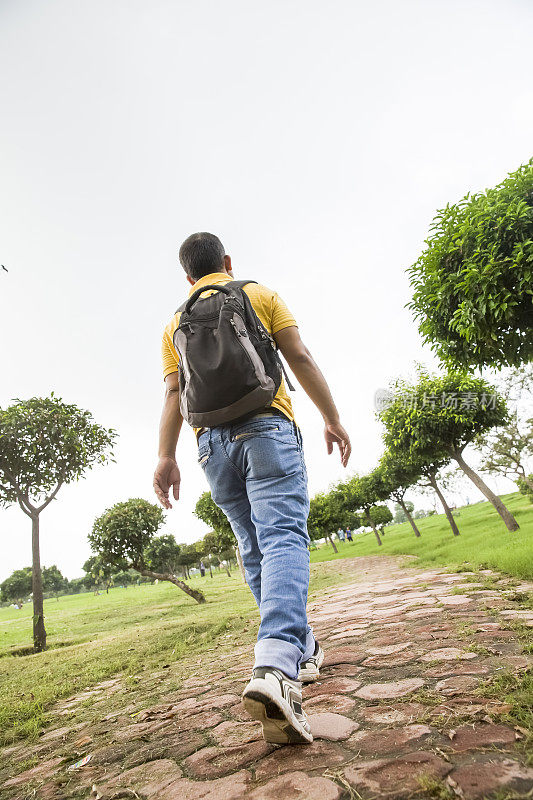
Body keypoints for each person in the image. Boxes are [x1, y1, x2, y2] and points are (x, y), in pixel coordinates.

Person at [153, 232, 351, 745]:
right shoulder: (259, 294)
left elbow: (175, 393)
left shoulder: (175, 323)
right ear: (226, 262)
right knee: (283, 536)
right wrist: (332, 418)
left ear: (188, 277)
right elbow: (300, 357)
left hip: (210, 448)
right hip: (267, 427)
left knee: (254, 547)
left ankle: (300, 649)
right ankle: (277, 666)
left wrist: (165, 456)